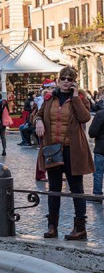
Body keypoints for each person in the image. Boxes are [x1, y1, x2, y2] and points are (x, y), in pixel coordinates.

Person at [35, 67, 93, 240]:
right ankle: (52, 227)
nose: (66, 81)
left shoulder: (81, 98)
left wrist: (75, 97)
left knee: (77, 188)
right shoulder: (49, 97)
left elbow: (85, 117)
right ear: (58, 80)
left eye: (70, 79)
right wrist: (38, 121)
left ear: (74, 81)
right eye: (63, 78)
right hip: (53, 149)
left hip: (73, 150)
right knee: (54, 188)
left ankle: (80, 228)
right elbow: (36, 115)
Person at [89, 103, 104, 199]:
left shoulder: (101, 114)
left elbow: (92, 132)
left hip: (101, 147)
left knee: (98, 173)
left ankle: (97, 195)